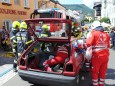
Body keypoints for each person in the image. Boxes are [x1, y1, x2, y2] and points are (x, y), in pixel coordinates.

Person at [86, 21, 110, 86]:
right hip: (105, 56)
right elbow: (108, 46)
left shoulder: (94, 33)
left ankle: (95, 84)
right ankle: (101, 84)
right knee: (103, 71)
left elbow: (88, 43)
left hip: (97, 56)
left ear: (94, 27)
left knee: (95, 71)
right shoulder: (106, 34)